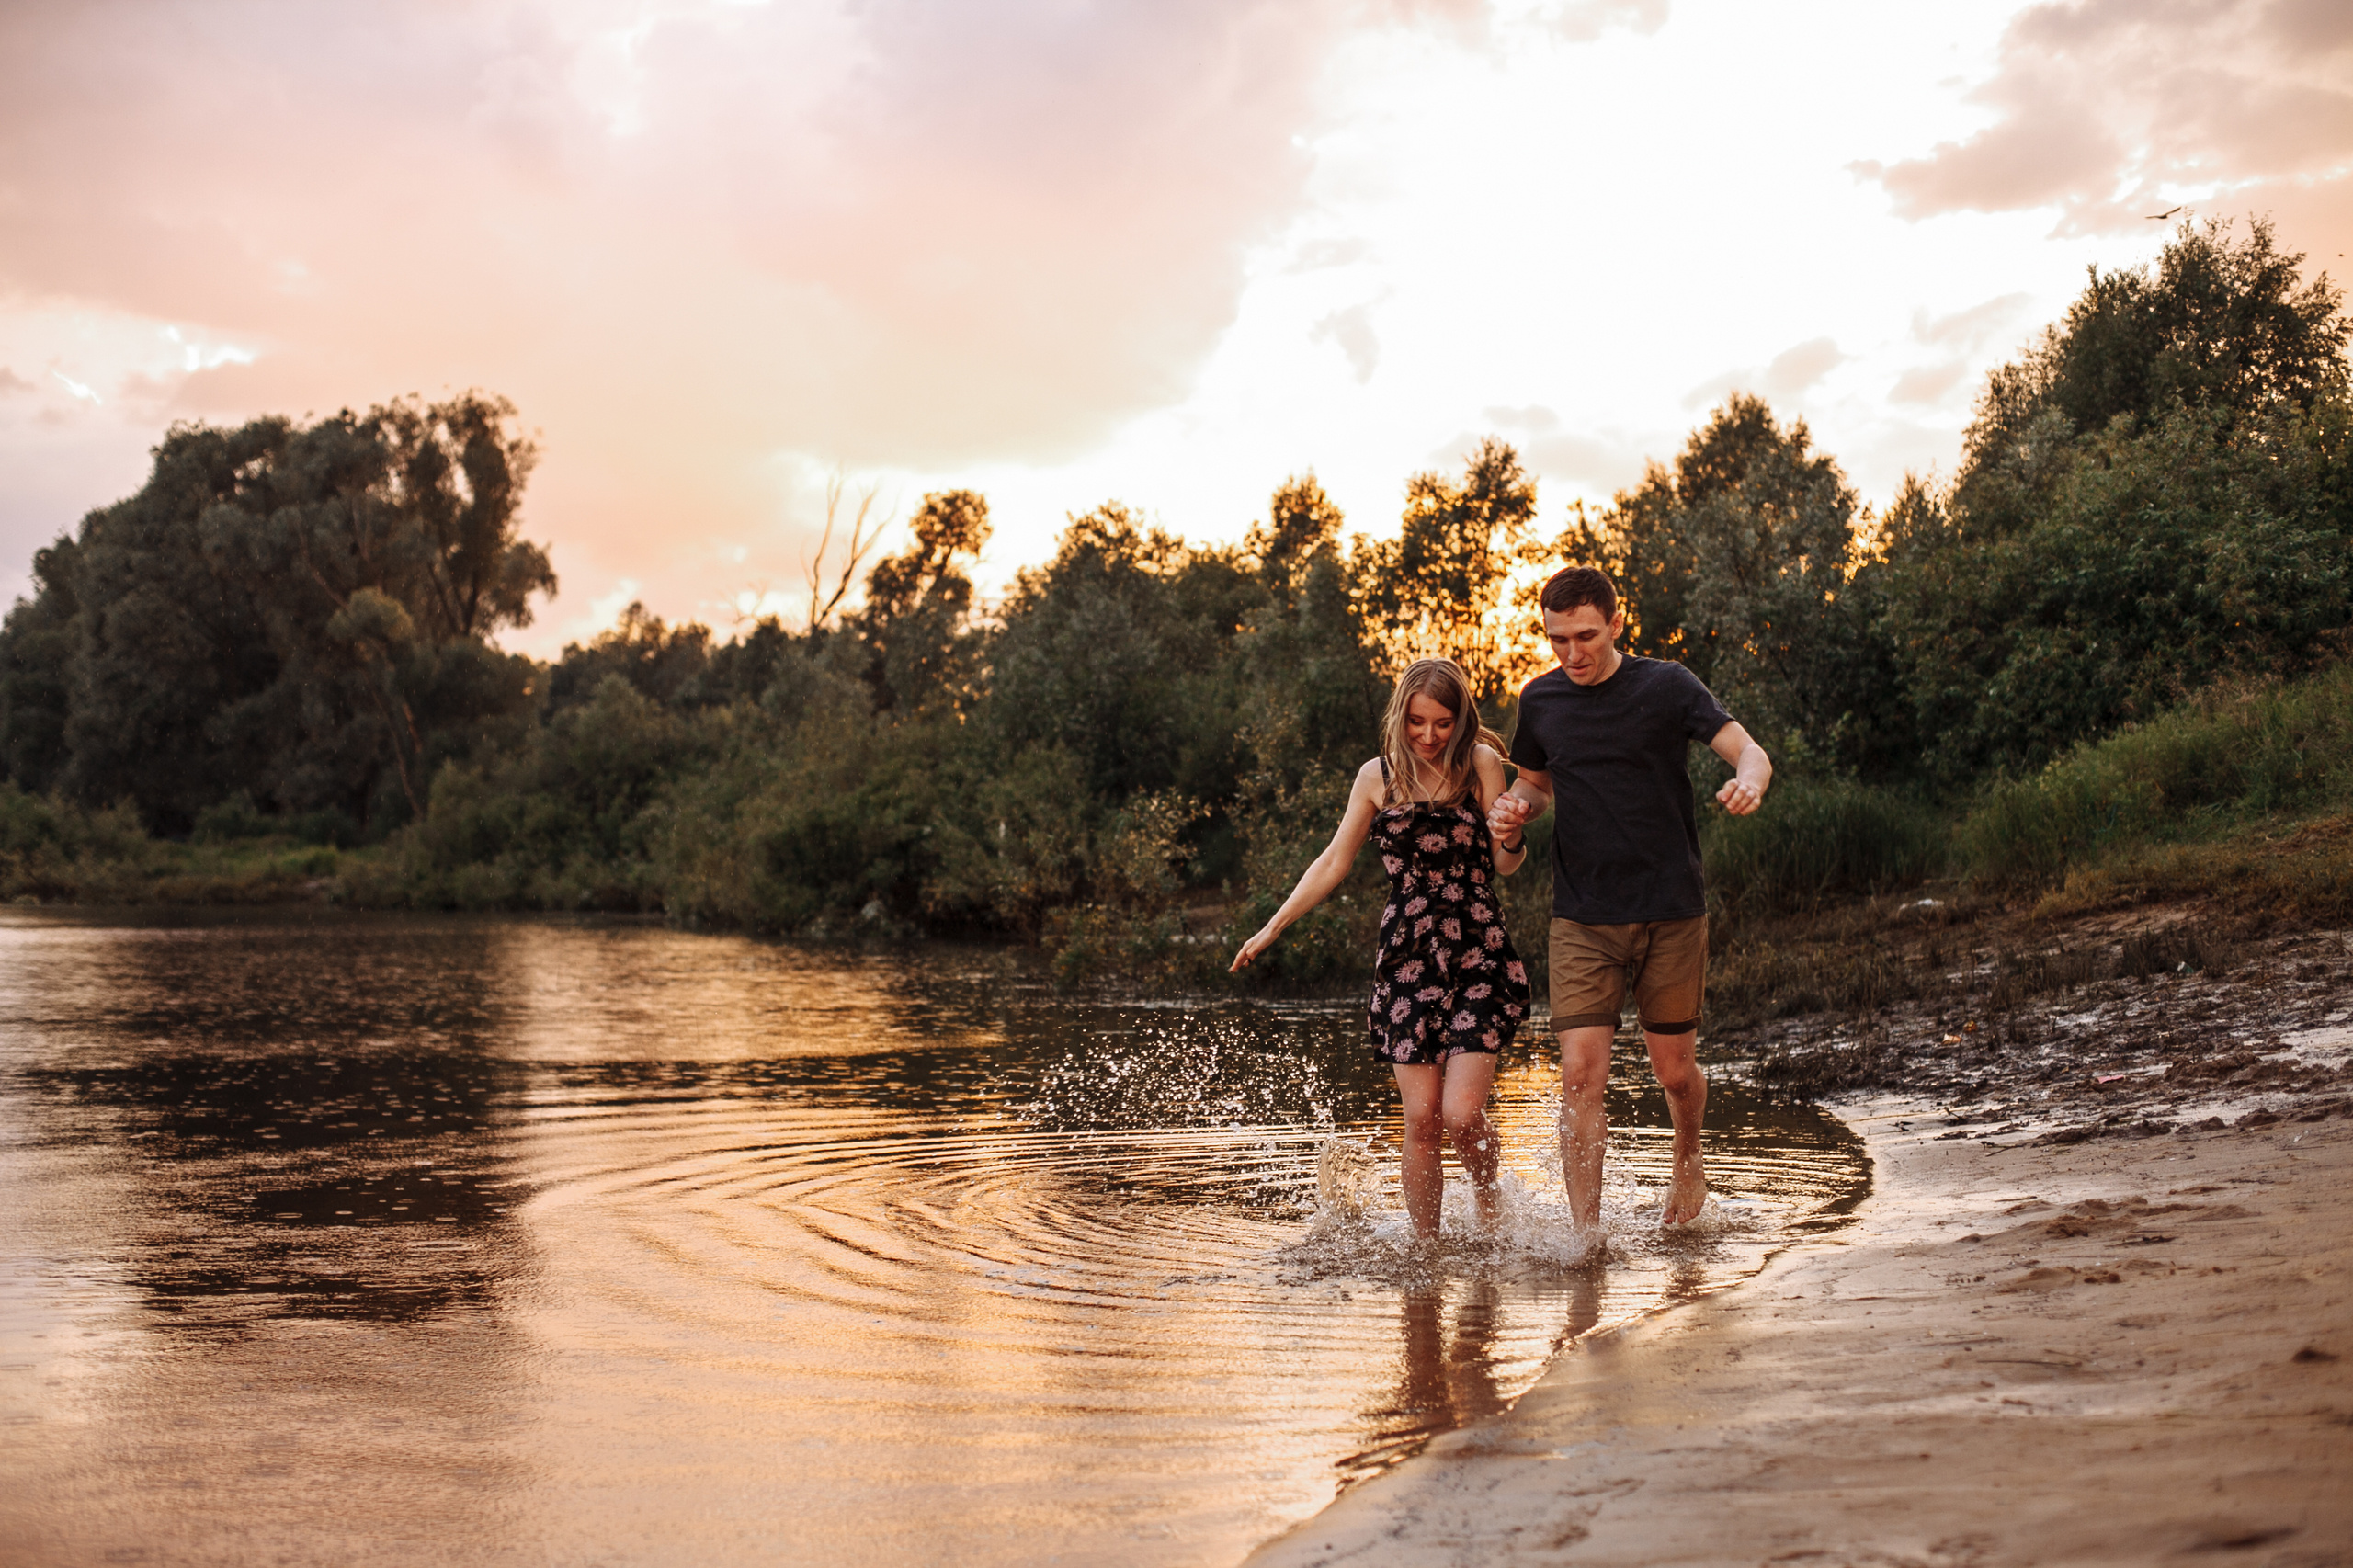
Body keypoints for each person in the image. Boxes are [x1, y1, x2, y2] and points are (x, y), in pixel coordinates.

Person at [1486, 566, 1769, 1231]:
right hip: (1582, 916)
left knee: (1674, 1072)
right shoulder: (1542, 700)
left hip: (1671, 909)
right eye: (1558, 640)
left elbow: (1745, 749)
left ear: (1617, 624)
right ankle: (1586, 1240)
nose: (1573, 654)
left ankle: (1689, 1157)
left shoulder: (1666, 685)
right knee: (1580, 1076)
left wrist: (1751, 780)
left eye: (1586, 636)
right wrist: (1513, 807)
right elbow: (1536, 784)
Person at [1232, 656, 1532, 1238]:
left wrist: (1513, 834)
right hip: (1407, 958)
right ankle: (1426, 1254)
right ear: (1400, 716)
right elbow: (1334, 861)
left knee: (1462, 1115)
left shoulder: (1481, 764)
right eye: (1417, 722)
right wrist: (1273, 927)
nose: (1428, 736)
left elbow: (1506, 864)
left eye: (1442, 723)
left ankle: (1494, 1210)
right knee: (1421, 1119)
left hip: (1478, 952)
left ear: (1461, 720)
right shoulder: (1377, 777)